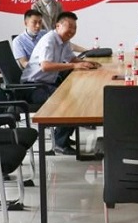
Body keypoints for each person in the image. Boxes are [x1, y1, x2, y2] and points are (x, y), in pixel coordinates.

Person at [21, 11, 101, 155]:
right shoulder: (49, 40)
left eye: (75, 28)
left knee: (78, 96)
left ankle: (63, 137)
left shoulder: (64, 41)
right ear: (58, 26)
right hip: (32, 87)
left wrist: (87, 63)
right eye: (69, 27)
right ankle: (60, 143)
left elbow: (71, 59)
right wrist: (74, 66)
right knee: (70, 102)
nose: (72, 31)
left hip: (46, 83)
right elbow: (45, 66)